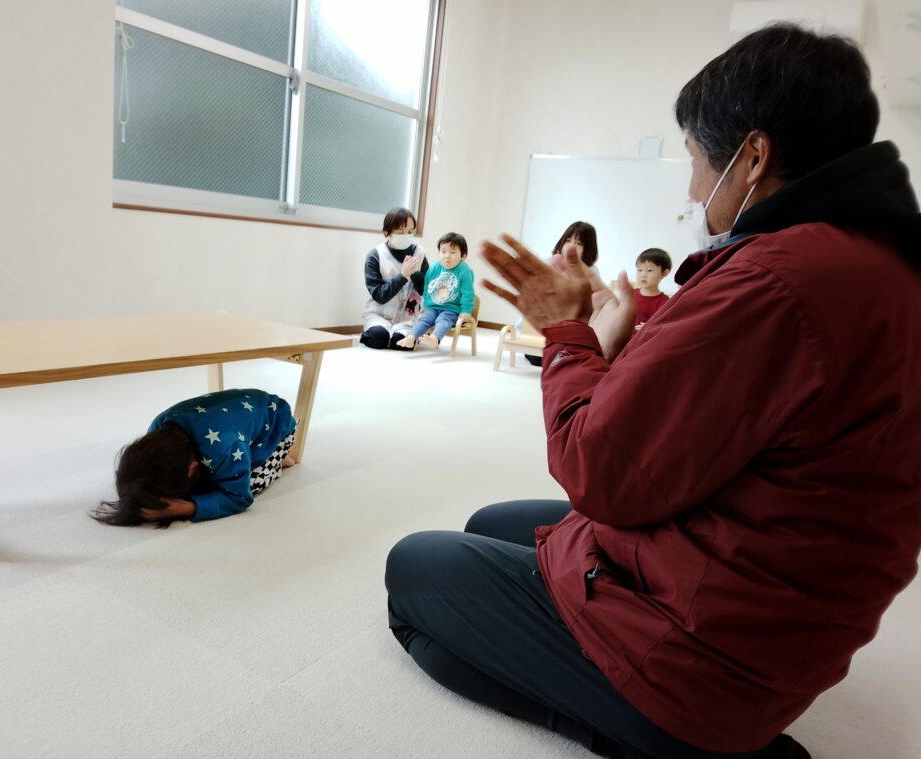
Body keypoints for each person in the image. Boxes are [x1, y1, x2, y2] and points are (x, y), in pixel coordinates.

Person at [386, 23, 920, 759]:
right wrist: (613, 345)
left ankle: (663, 738)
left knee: (413, 572)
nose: (693, 188)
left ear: (753, 157)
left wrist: (568, 334)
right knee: (491, 521)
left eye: (697, 160)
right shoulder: (878, 264)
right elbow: (701, 428)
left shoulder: (772, 282)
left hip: (703, 652)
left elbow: (600, 470)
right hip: (764, 595)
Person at [92, 388, 297, 527]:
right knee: (218, 480)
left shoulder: (226, 450)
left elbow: (240, 498)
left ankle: (280, 456)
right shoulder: (158, 427)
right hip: (236, 417)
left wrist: (187, 508)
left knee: (250, 484)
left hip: (277, 425)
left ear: (192, 467)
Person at [524, 221, 599, 365]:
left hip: (571, 328)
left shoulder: (591, 272)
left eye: (579, 243)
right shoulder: (549, 262)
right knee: (536, 357)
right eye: (568, 240)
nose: (571, 246)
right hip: (542, 326)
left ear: (589, 249)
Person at [360, 207, 430, 350]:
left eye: (410, 231)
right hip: (379, 315)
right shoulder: (375, 255)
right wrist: (403, 275)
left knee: (401, 343)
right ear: (387, 232)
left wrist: (415, 273)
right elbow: (379, 295)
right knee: (379, 337)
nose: (406, 236)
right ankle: (374, 333)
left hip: (407, 318)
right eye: (400, 231)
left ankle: (401, 335)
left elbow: (427, 291)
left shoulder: (419, 254)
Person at [396, 232, 475, 350]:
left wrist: (466, 311)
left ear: (463, 255)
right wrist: (425, 304)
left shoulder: (464, 271)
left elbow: (468, 293)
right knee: (424, 319)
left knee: (443, 319)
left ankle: (435, 338)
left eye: (452, 252)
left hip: (452, 309)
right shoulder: (434, 268)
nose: (447, 256)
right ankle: (411, 338)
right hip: (433, 307)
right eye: (443, 251)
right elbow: (428, 288)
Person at [633, 247, 672, 330]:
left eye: (649, 270)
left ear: (664, 273)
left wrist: (652, 328)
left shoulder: (665, 303)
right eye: (639, 270)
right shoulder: (629, 295)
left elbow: (665, 327)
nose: (643, 274)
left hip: (645, 337)